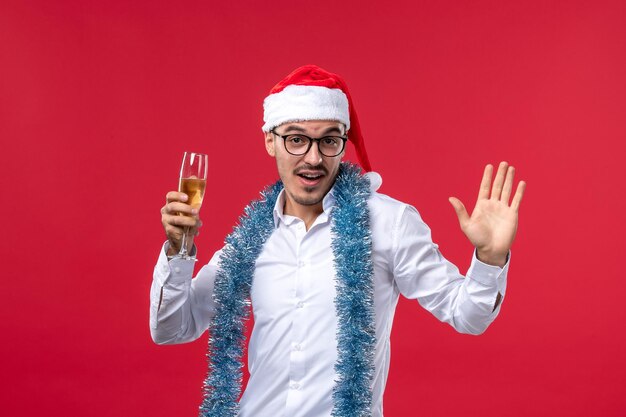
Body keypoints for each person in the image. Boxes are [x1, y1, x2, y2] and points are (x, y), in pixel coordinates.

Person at [150, 65, 526, 417]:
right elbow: (172, 328)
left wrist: (489, 257)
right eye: (296, 139)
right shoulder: (250, 238)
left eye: (328, 141)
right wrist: (178, 250)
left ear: (343, 144)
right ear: (270, 141)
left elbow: (468, 315)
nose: (313, 158)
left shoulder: (389, 222)